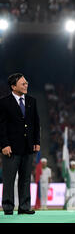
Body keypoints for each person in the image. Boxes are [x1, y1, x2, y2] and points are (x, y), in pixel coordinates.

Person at [0, 73, 40, 215]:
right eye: (23, 83)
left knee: (25, 179)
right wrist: (4, 144)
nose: (26, 85)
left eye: (26, 83)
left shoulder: (31, 101)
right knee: (9, 179)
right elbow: (1, 126)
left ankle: (24, 207)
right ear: (13, 86)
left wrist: (37, 141)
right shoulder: (4, 102)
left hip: (28, 146)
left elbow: (36, 123)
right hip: (10, 148)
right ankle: (8, 207)